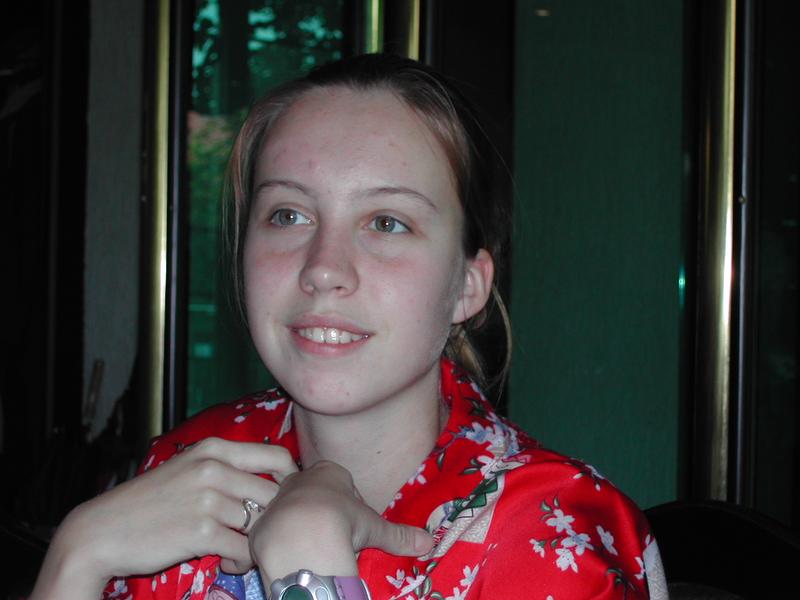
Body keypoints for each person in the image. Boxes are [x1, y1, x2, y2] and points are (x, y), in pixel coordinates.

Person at [31, 54, 666, 600]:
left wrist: (310, 572)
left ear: (467, 285)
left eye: (387, 222)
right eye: (287, 215)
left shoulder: (556, 539)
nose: (323, 270)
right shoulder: (187, 468)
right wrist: (77, 556)